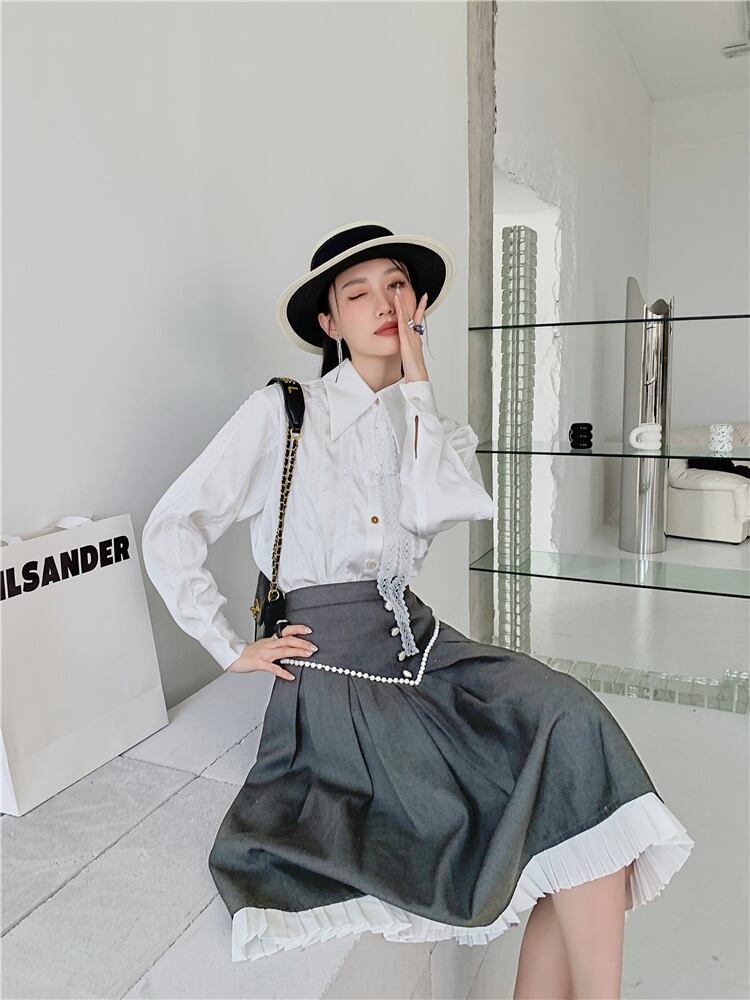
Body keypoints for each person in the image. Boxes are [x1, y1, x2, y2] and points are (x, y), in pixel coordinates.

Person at [141, 221, 694, 996]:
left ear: (419, 303)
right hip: (339, 680)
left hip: (430, 650)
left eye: (397, 286)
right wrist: (229, 644)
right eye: (358, 293)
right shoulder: (284, 412)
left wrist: (417, 379)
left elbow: (439, 508)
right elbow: (173, 526)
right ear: (329, 322)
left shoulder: (436, 429)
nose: (383, 304)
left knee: (575, 729)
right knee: (558, 801)